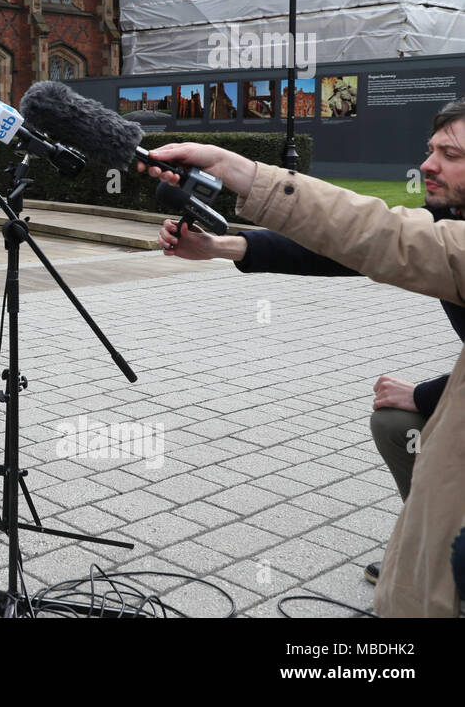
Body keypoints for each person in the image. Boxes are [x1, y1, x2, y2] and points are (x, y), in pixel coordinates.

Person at [138, 124, 465, 617]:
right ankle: (426, 549)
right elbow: (351, 248)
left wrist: (236, 169)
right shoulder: (449, 220)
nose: (427, 165)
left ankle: (440, 560)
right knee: (397, 427)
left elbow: (381, 234)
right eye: (430, 150)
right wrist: (221, 247)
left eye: (451, 154)